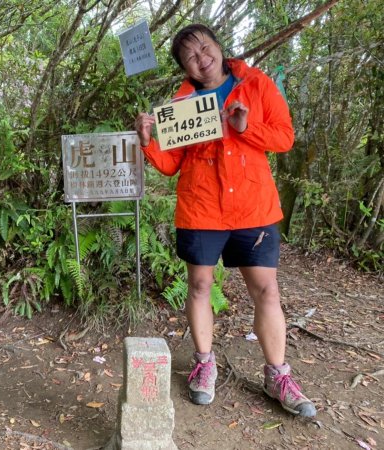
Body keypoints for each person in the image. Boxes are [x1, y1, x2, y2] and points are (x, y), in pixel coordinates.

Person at [134, 24, 316, 417]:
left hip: (254, 207)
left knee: (267, 291)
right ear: (186, 68)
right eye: (190, 57)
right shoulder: (181, 105)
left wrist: (245, 127)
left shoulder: (256, 84)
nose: (201, 59)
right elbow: (170, 165)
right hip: (201, 207)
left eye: (204, 47)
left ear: (217, 46)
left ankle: (277, 374)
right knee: (199, 286)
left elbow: (285, 138)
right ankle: (203, 362)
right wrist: (148, 141)